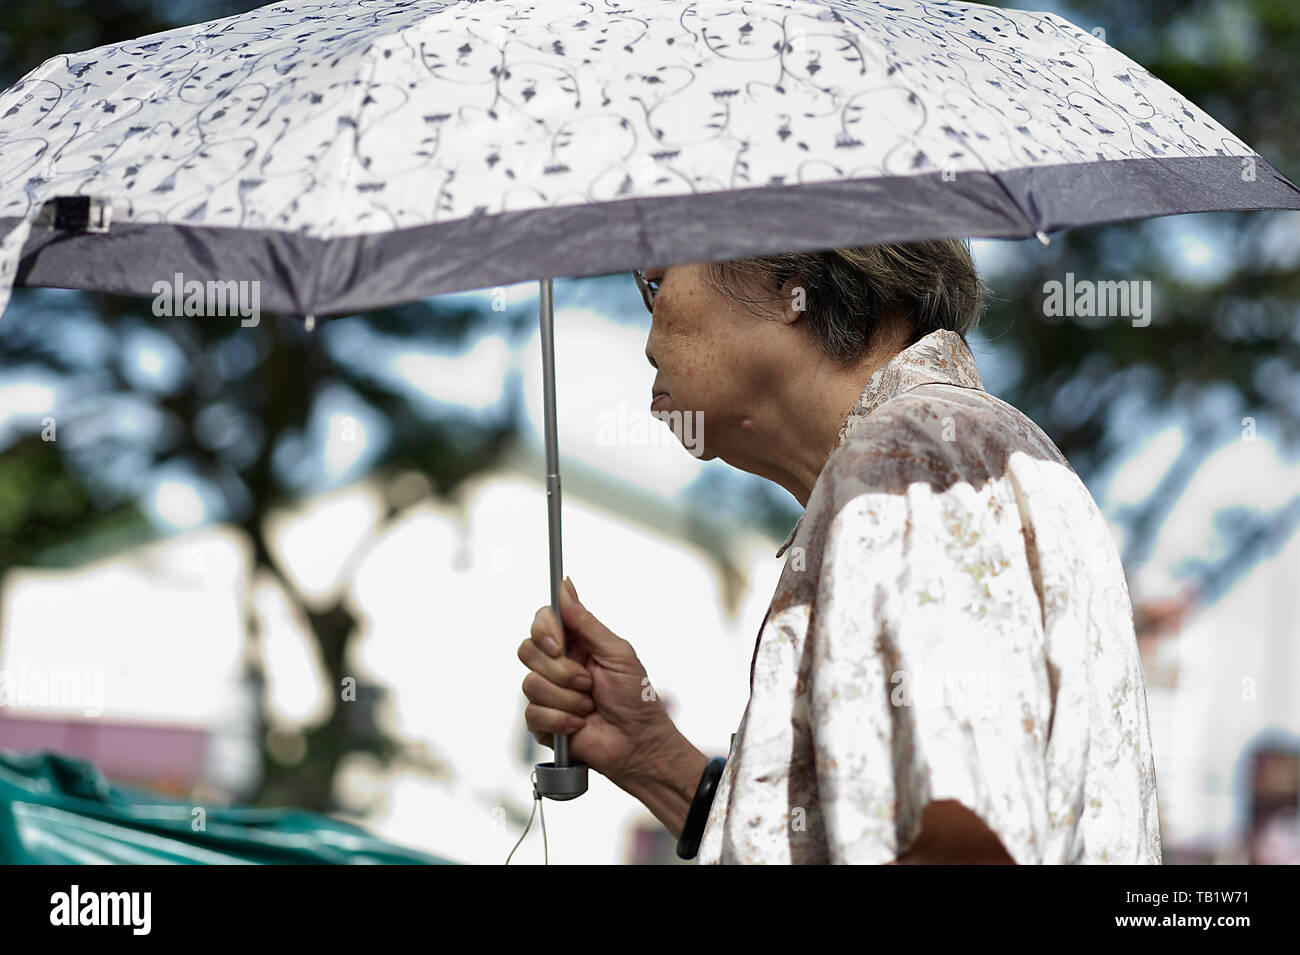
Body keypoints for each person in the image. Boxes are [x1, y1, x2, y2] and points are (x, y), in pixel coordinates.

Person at [517, 240, 1162, 864]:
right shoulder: (946, 450)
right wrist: (653, 759)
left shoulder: (909, 460)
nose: (647, 330)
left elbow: (963, 843)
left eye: (655, 281)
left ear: (785, 282)